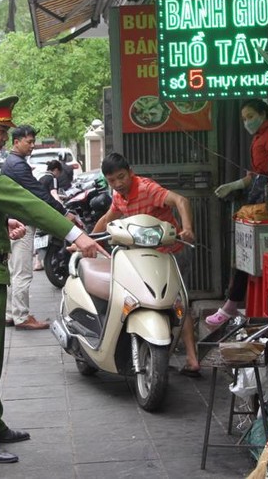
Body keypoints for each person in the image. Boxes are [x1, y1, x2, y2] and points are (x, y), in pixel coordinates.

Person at [0, 96, 106, 465]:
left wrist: (0, 222)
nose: (4, 138)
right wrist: (75, 234)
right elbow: (21, 198)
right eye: (0, 130)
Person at [91, 152, 201, 377]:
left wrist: (187, 228)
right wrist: (86, 242)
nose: (118, 184)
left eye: (122, 177)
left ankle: (192, 358)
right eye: (112, 180)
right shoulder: (118, 196)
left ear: (130, 172)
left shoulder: (147, 188)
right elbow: (107, 218)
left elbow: (181, 200)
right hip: (142, 258)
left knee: (179, 303)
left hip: (172, 253)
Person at [207, 99, 268, 327]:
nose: (247, 122)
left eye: (250, 116)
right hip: (258, 198)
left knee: (246, 253)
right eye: (244, 119)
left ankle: (232, 305)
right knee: (244, 254)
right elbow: (257, 173)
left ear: (263, 113)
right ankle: (234, 304)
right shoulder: (260, 136)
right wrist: (236, 185)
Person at [1, 125, 79, 330]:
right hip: (20, 223)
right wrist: (63, 212)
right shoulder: (17, 165)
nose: (32, 146)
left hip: (13, 221)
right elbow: (38, 193)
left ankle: (11, 313)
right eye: (29, 141)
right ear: (16, 142)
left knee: (14, 271)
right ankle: (21, 316)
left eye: (33, 141)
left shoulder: (12, 163)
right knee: (22, 272)